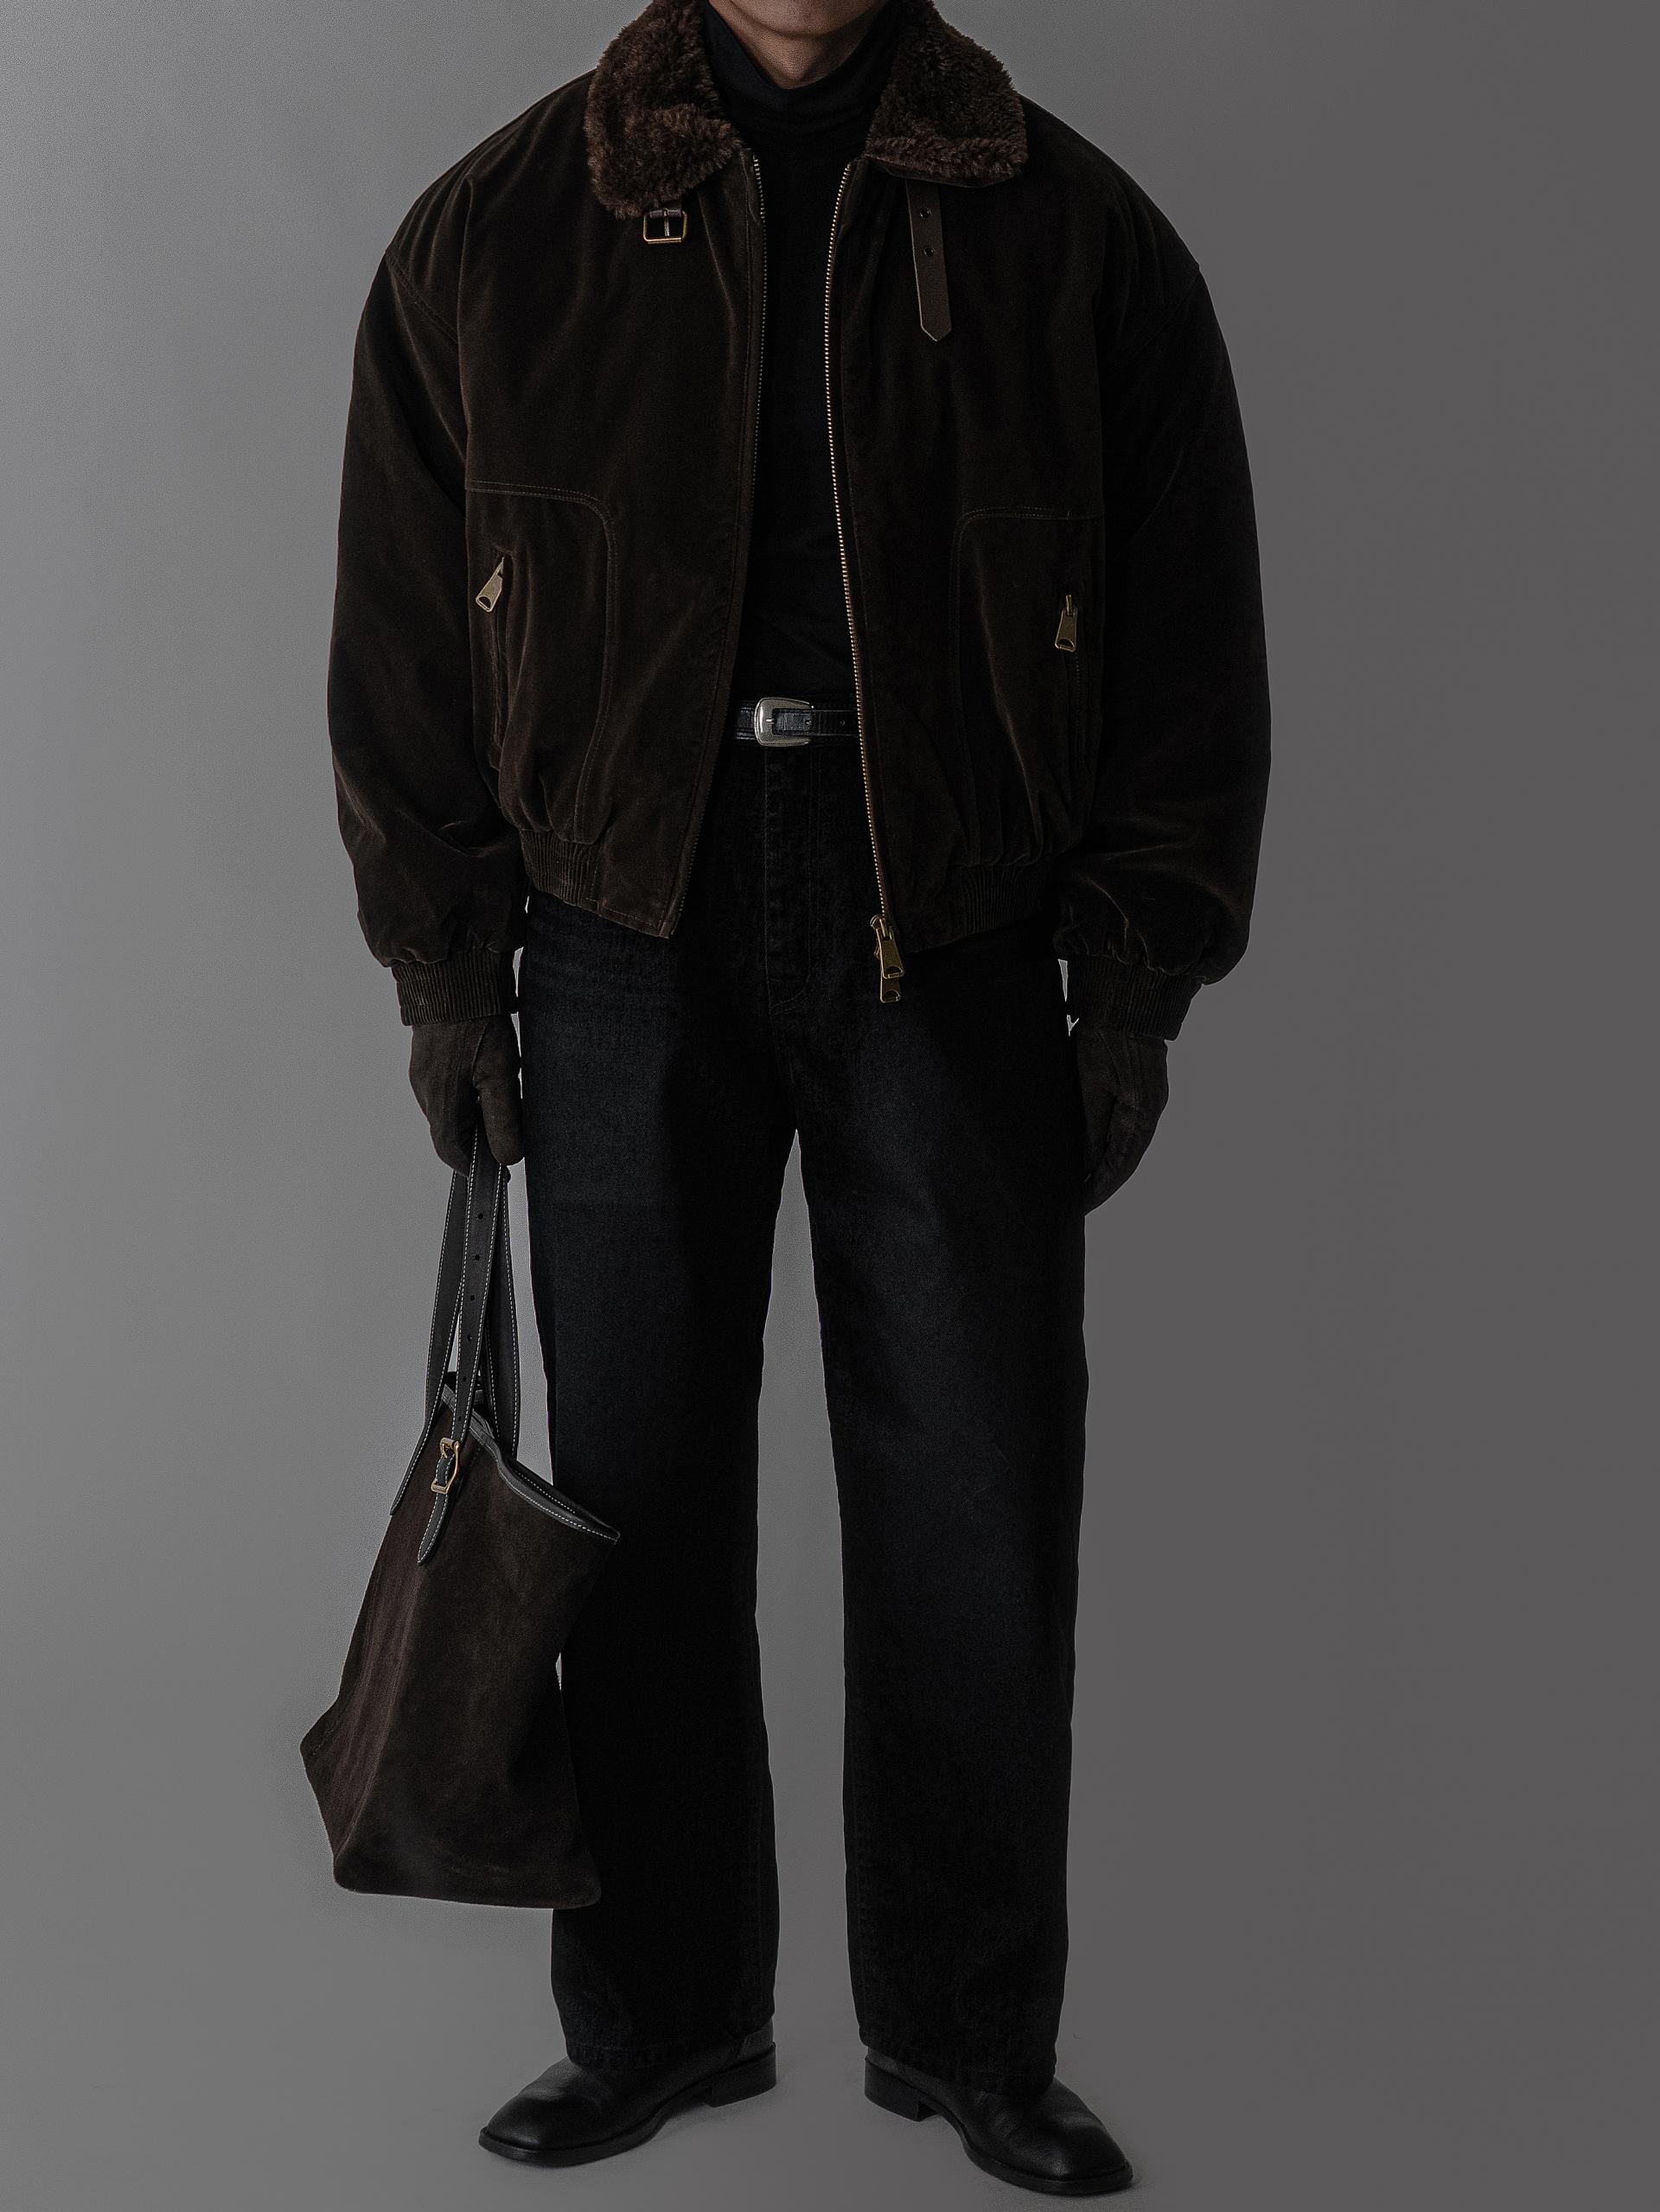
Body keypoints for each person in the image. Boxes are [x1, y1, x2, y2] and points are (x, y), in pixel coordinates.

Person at [324, 0, 1269, 2192]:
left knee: (976, 1509)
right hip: (616, 928)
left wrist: (1132, 977)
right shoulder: (497, 230)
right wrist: (449, 974)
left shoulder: (1075, 234)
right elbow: (402, 638)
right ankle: (662, 2019)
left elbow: (1185, 633)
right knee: (633, 1499)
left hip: (954, 923)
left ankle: (969, 2034)